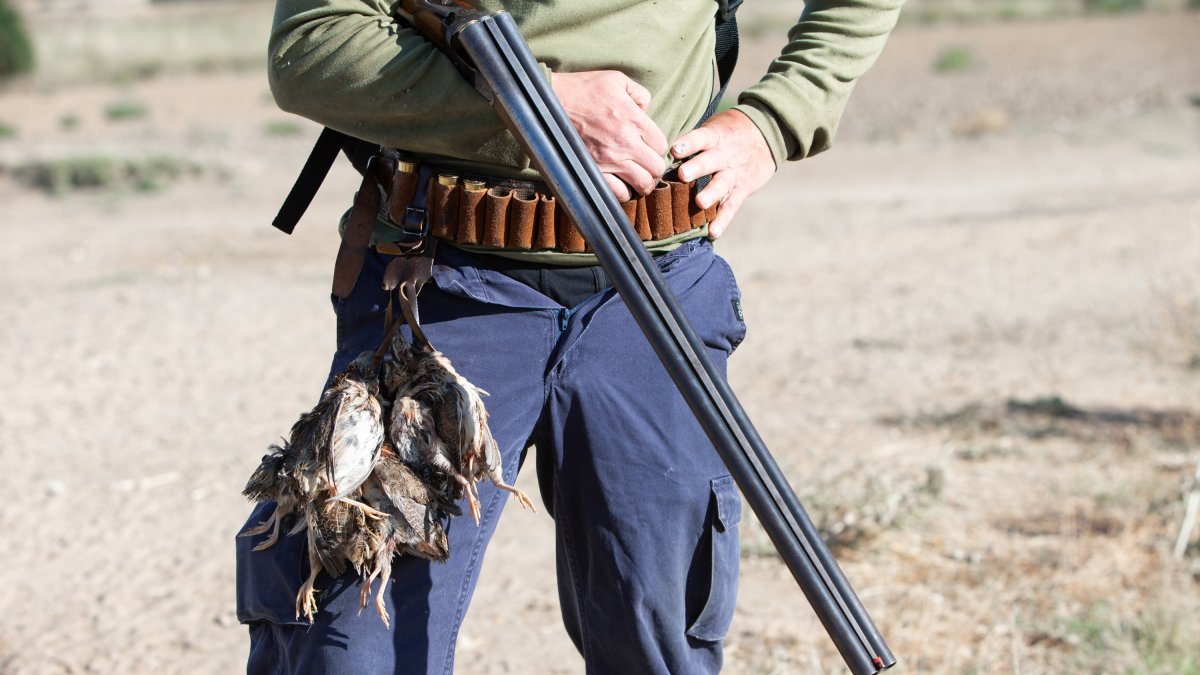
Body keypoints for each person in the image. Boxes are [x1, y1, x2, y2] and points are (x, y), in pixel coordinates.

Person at [236, 0, 902, 672]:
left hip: (656, 279)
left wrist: (774, 120)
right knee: (355, 636)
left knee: (659, 638)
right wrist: (536, 109)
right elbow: (313, 44)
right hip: (439, 278)